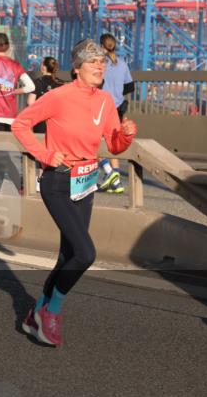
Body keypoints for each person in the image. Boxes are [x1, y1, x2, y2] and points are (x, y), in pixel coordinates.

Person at [11, 39, 137, 347]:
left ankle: (34, 315)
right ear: (77, 68)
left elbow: (114, 145)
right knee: (85, 253)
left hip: (86, 181)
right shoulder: (59, 96)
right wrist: (44, 154)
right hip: (58, 181)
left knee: (68, 255)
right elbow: (20, 125)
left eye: (102, 62)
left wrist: (126, 136)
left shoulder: (105, 100)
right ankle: (51, 311)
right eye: (92, 62)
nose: (100, 66)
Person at [0, 33, 34, 192]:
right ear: (8, 46)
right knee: (0, 154)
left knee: (1, 155)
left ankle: (20, 187)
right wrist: (16, 91)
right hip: (10, 114)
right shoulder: (16, 65)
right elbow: (31, 87)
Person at [98, 33, 134, 194]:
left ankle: (109, 172)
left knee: (94, 142)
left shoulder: (100, 64)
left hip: (102, 106)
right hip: (118, 107)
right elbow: (130, 86)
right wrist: (117, 92)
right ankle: (117, 182)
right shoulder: (123, 64)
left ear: (101, 47)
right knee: (113, 143)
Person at [27, 56, 65, 134]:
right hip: (56, 121)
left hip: (40, 121)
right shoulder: (60, 83)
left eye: (42, 64)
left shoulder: (38, 82)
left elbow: (30, 102)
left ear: (44, 67)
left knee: (41, 140)